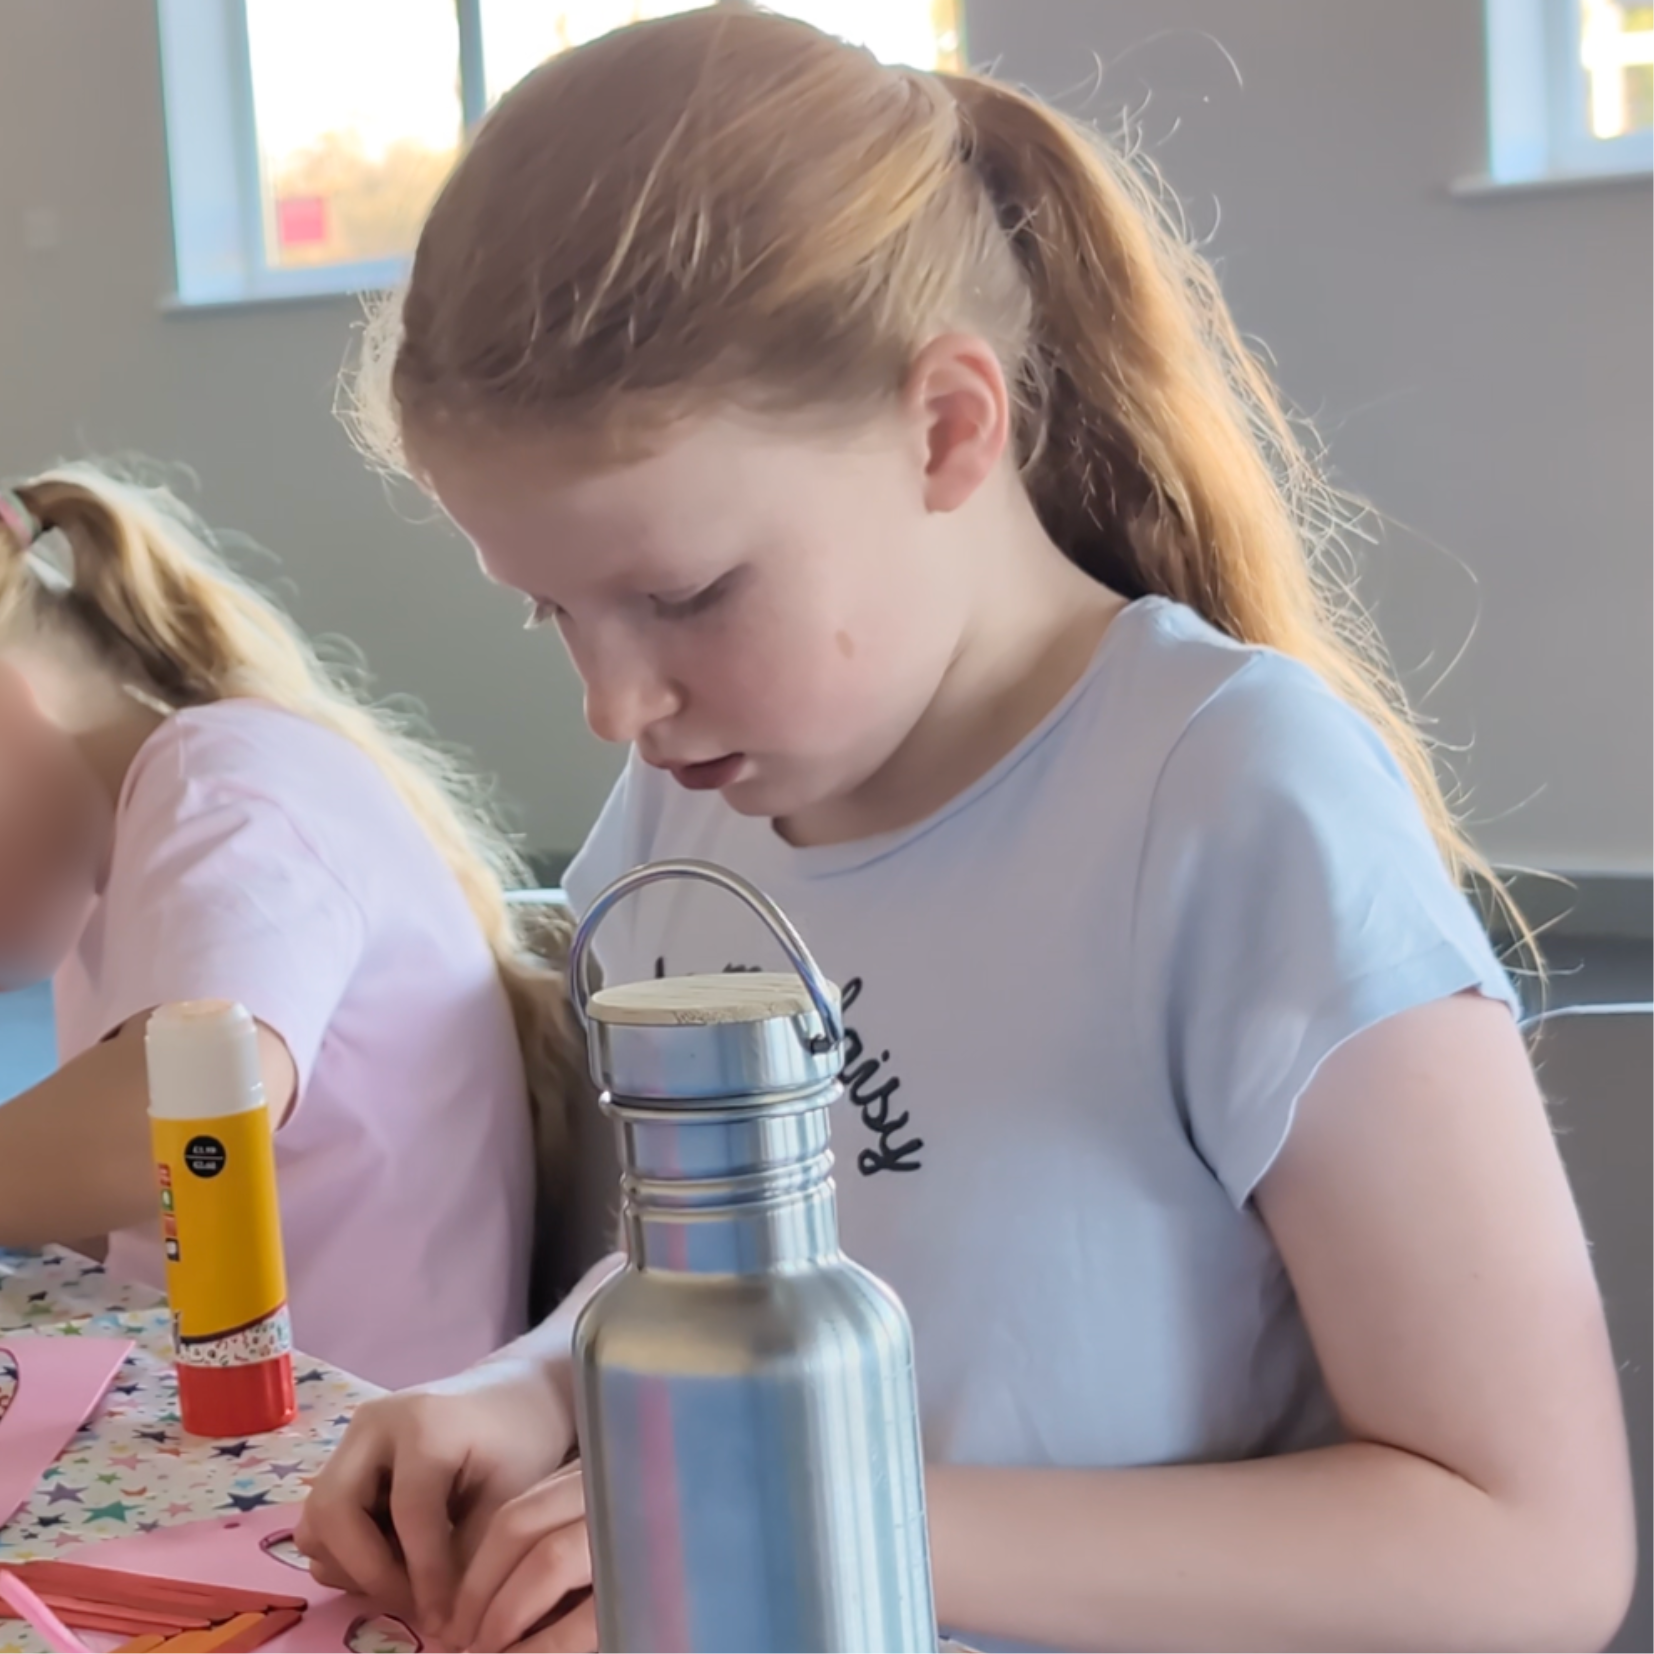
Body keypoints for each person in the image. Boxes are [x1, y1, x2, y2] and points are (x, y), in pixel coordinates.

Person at [296, 9, 1635, 1648]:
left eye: (684, 593)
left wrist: (808, 1505)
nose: (610, 703)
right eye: (548, 612)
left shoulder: (1228, 798)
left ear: (944, 427)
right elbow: (746, 1262)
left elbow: (1529, 1553)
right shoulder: (689, 798)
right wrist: (530, 1382)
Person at [0, 465, 581, 1389]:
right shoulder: (128, 873)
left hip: (352, 1470)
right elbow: (90, 1226)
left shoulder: (230, 789)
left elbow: (171, 1134)